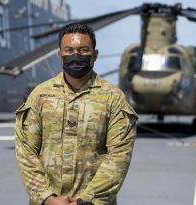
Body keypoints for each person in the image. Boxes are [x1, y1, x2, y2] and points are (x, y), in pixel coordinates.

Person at [14, 23, 138, 205]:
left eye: (83, 50)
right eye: (69, 50)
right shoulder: (40, 95)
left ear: (94, 55)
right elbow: (26, 151)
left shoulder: (113, 98)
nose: (76, 55)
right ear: (60, 54)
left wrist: (87, 199)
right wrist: (47, 198)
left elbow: (119, 156)